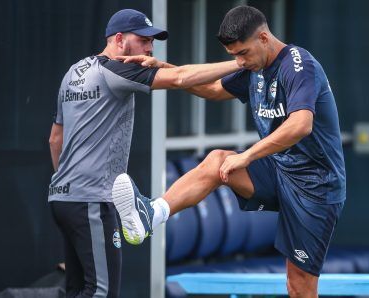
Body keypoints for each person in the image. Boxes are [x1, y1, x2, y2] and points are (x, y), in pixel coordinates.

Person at [112, 5, 346, 298]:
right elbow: (211, 89)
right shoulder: (253, 66)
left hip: (315, 187)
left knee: (298, 286)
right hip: (280, 171)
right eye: (234, 55)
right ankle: (150, 216)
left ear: (263, 38)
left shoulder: (298, 65)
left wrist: (247, 155)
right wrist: (163, 69)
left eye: (243, 53)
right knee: (217, 162)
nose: (239, 61)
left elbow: (301, 125)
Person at [48, 8, 241, 298]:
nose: (149, 48)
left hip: (62, 197)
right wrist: (239, 63)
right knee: (101, 292)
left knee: (77, 290)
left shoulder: (73, 73)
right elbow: (179, 79)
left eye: (152, 41)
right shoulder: (117, 68)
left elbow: (54, 139)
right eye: (143, 40)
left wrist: (68, 184)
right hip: (92, 201)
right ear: (119, 39)